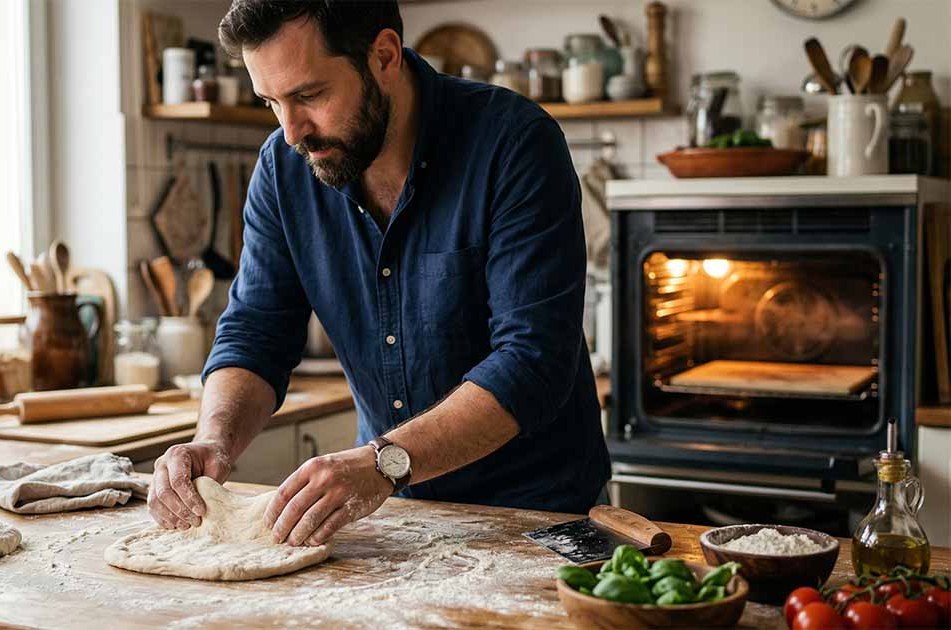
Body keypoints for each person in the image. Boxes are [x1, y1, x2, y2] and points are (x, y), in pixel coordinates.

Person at [148, 0, 610, 548]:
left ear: (384, 56)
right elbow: (255, 334)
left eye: (309, 95)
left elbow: (532, 361)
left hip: (539, 513)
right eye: (271, 102)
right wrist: (214, 441)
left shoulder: (514, 142)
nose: (292, 130)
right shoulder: (282, 167)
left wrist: (384, 461)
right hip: (390, 512)